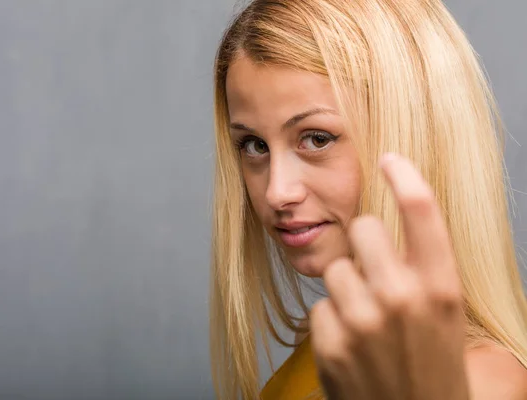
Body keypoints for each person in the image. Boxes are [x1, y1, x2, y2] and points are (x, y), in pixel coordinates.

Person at [208, 0, 527, 399]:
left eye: (317, 139)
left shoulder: (479, 381)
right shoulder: (337, 350)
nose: (276, 192)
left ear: (417, 135)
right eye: (254, 145)